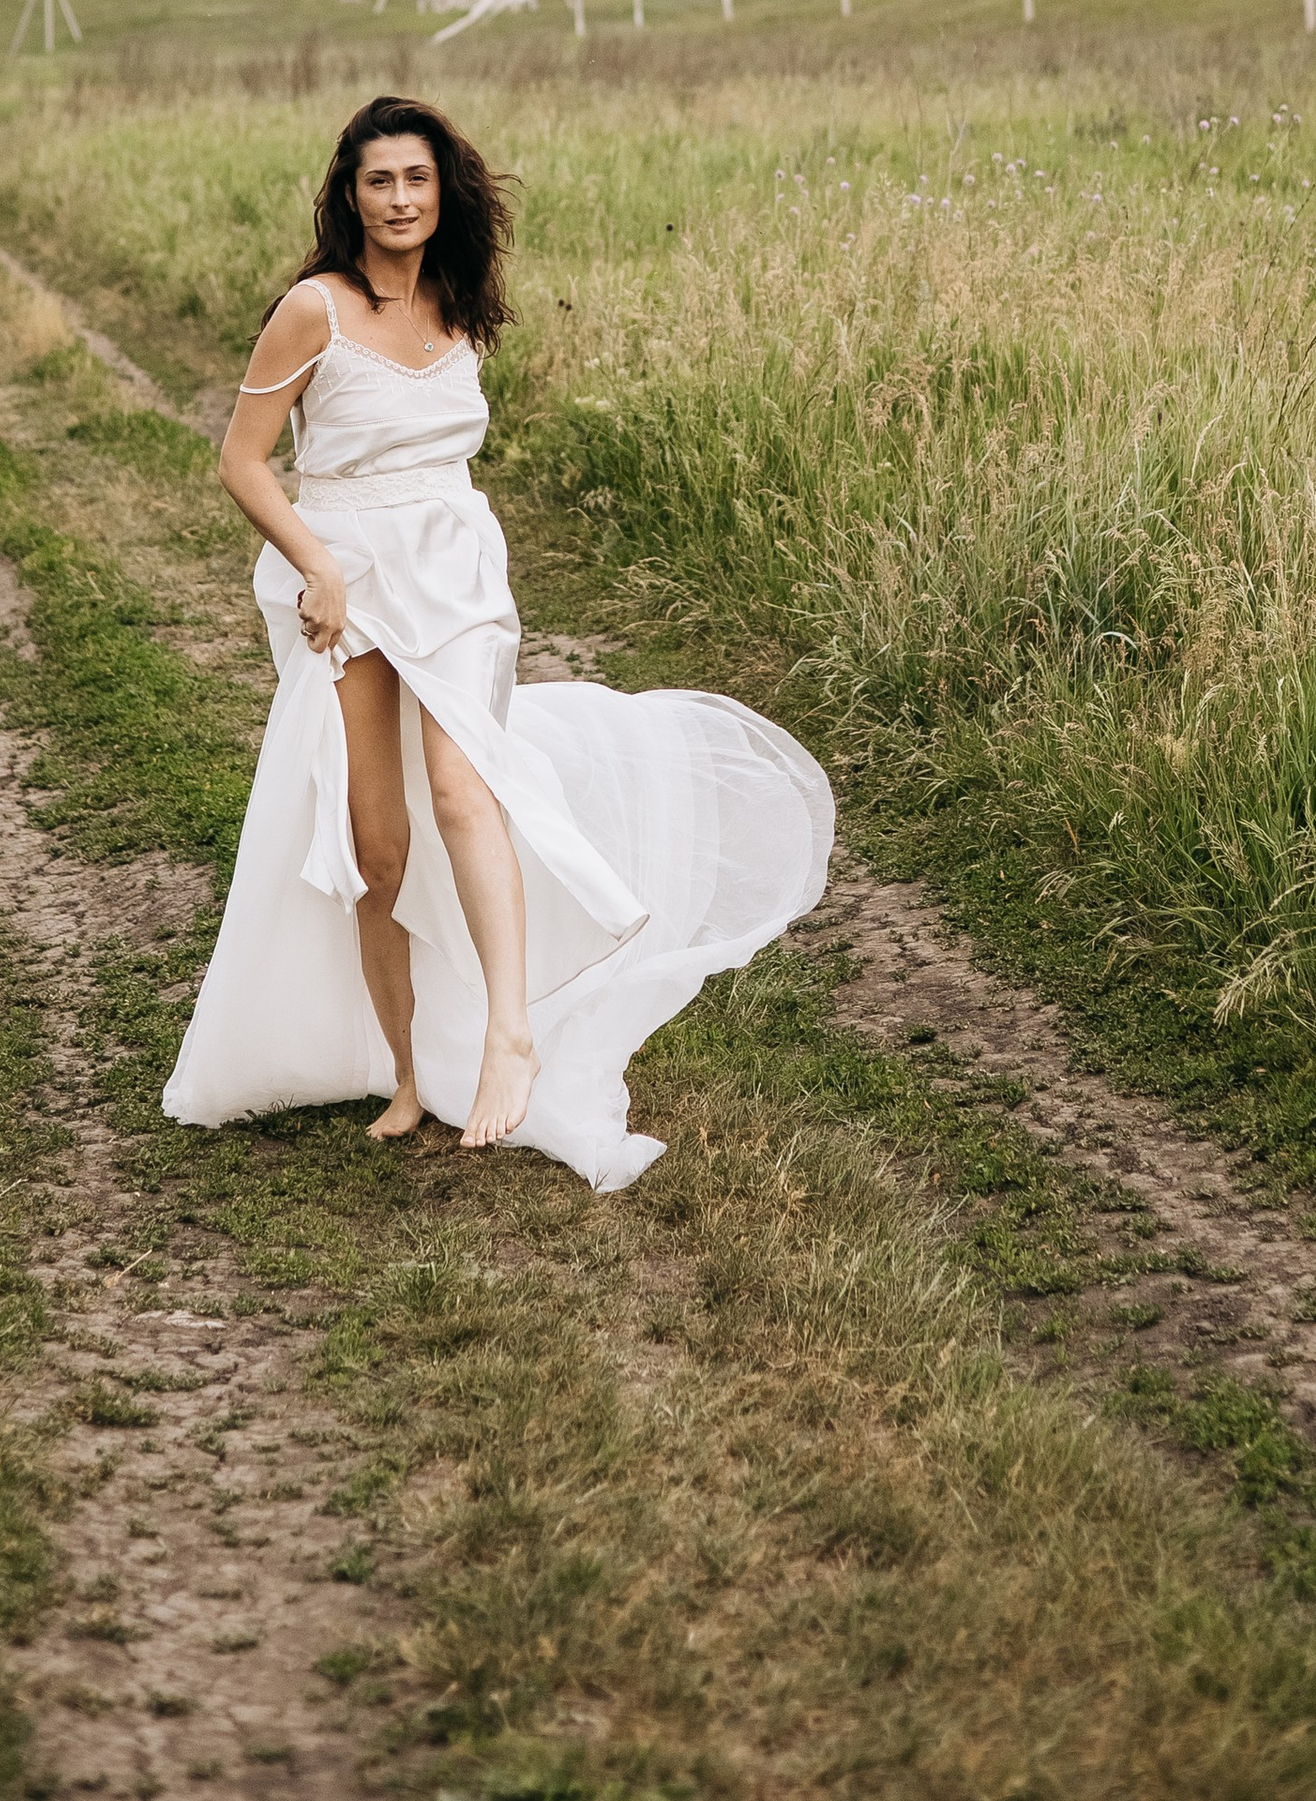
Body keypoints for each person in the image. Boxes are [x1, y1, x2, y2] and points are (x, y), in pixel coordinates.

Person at [164, 91, 833, 1189]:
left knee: (469, 793)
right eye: (378, 180)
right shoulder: (312, 310)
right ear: (349, 194)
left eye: (416, 178)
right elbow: (242, 460)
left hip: (455, 567)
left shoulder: (461, 303)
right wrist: (318, 566)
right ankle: (405, 1073)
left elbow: (443, 455)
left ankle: (509, 1033)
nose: (398, 198)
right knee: (377, 847)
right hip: (349, 577)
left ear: (444, 191)